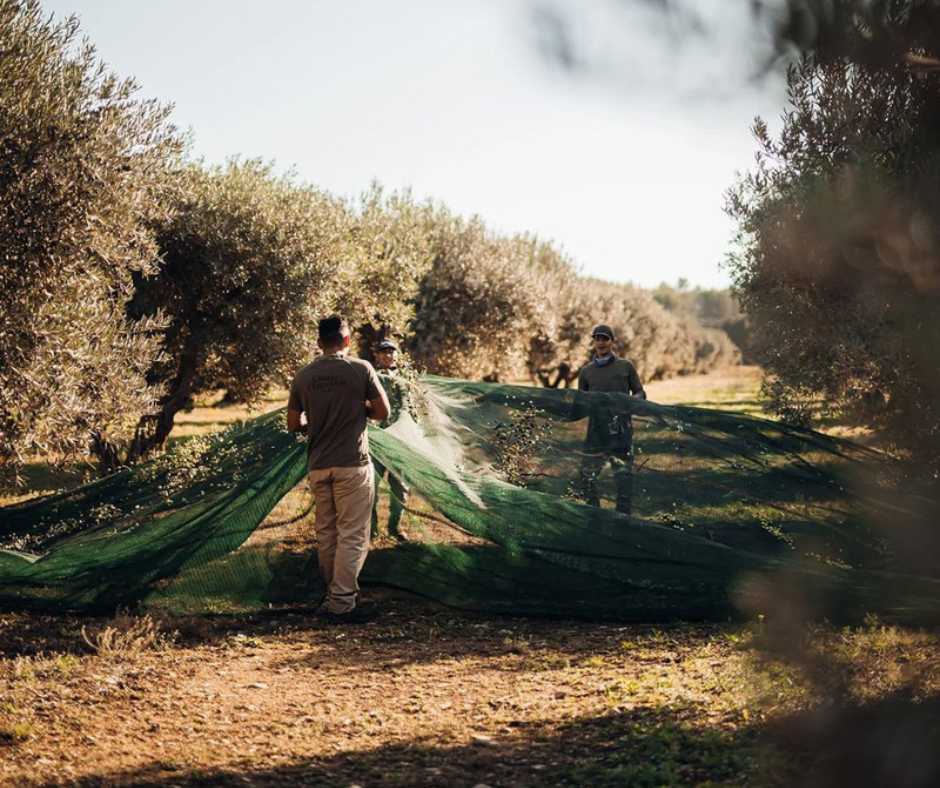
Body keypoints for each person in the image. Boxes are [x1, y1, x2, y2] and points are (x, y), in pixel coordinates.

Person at [287, 315, 390, 621]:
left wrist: (315, 420)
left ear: (319, 343)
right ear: (346, 341)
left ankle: (333, 596)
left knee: (327, 534)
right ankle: (342, 604)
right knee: (353, 535)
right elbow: (383, 412)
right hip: (353, 464)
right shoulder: (361, 369)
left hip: (318, 465)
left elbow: (294, 424)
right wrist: (360, 409)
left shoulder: (303, 376)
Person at [577, 323, 646, 516]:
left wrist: (630, 401)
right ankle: (595, 515)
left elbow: (640, 392)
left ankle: (623, 520)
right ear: (593, 342)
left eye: (604, 338)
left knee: (623, 479)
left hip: (621, 431)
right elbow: (581, 401)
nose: (600, 342)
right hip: (595, 432)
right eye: (597, 338)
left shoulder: (625, 366)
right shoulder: (586, 372)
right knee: (585, 476)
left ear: (612, 342)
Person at [370, 339, 409, 540]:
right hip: (376, 440)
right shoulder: (371, 377)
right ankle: (372, 529)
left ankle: (395, 527)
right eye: (383, 352)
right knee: (371, 486)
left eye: (391, 352)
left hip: (399, 441)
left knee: (400, 487)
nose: (387, 355)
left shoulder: (406, 379)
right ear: (376, 355)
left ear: (397, 355)